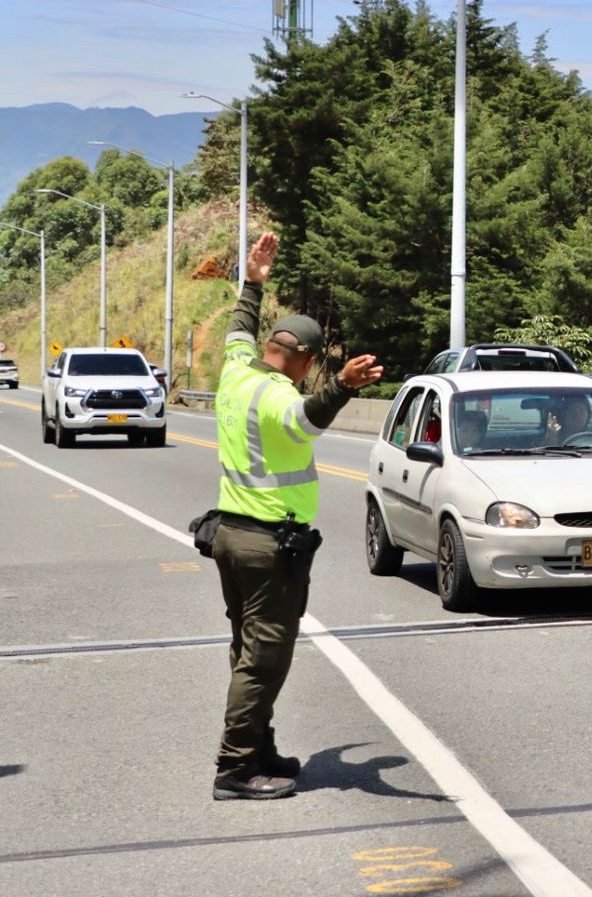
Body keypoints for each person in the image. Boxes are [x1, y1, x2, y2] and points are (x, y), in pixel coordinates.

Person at [209, 232, 384, 800]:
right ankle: (236, 769)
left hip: (230, 536)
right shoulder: (279, 398)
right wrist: (343, 385)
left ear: (270, 345)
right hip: (268, 546)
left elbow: (239, 327)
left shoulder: (237, 370)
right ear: (306, 361)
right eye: (315, 367)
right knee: (263, 661)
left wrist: (252, 283)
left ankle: (260, 748)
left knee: (247, 650)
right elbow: (308, 418)